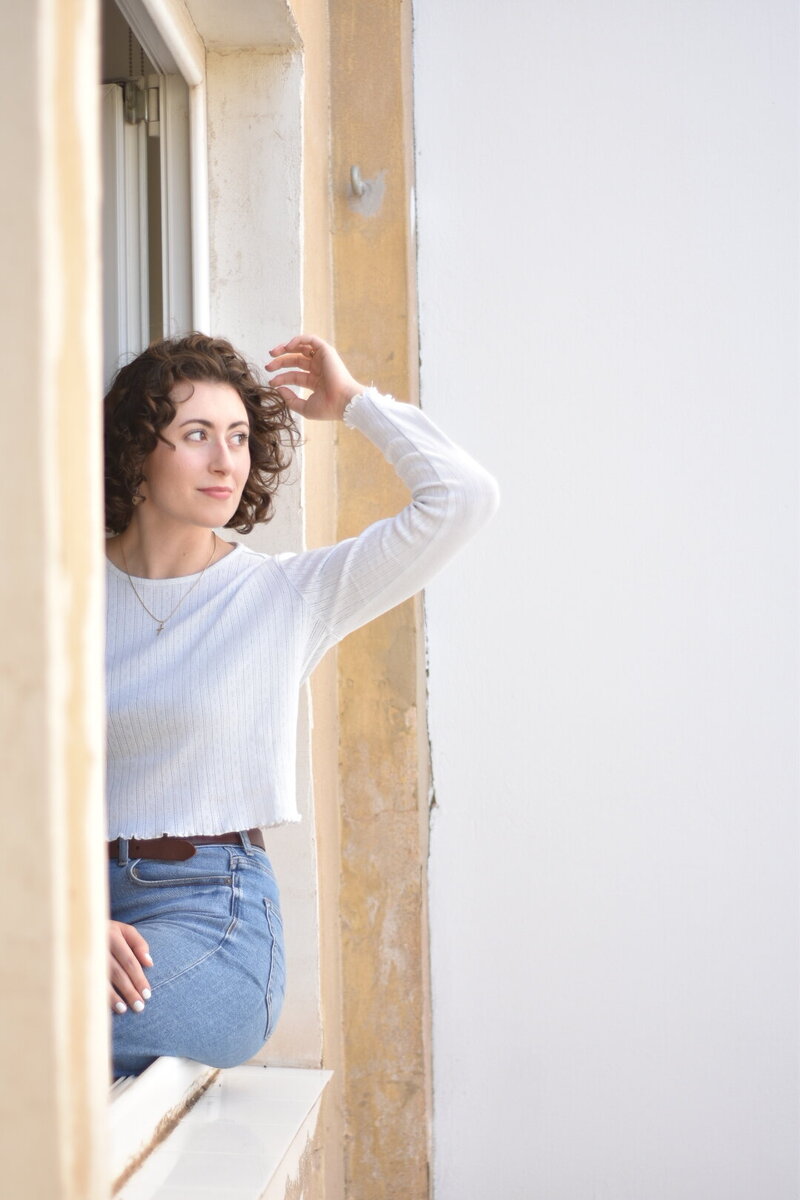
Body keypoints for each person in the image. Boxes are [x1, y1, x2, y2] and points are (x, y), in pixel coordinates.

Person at [104, 332, 499, 1079]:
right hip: (74, 910)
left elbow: (463, 499)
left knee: (47, 1041)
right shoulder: (60, 595)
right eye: (196, 436)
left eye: (240, 437)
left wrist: (354, 404)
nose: (226, 461)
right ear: (136, 451)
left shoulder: (284, 596)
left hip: (211, 916)